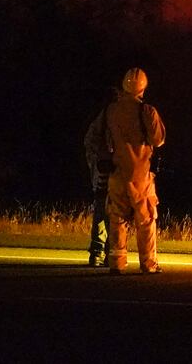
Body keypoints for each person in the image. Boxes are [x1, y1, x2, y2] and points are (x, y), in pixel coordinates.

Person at [104, 67, 166, 274]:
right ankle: (148, 264)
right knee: (146, 220)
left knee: (117, 219)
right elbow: (158, 139)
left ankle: (116, 263)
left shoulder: (112, 110)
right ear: (143, 88)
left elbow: (104, 138)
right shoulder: (147, 111)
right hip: (140, 175)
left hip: (117, 172)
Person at [82, 84, 117, 266]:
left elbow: (89, 141)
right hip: (108, 169)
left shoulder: (105, 116)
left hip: (108, 168)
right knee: (106, 211)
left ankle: (102, 252)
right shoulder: (108, 116)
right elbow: (91, 141)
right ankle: (101, 251)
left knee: (105, 210)